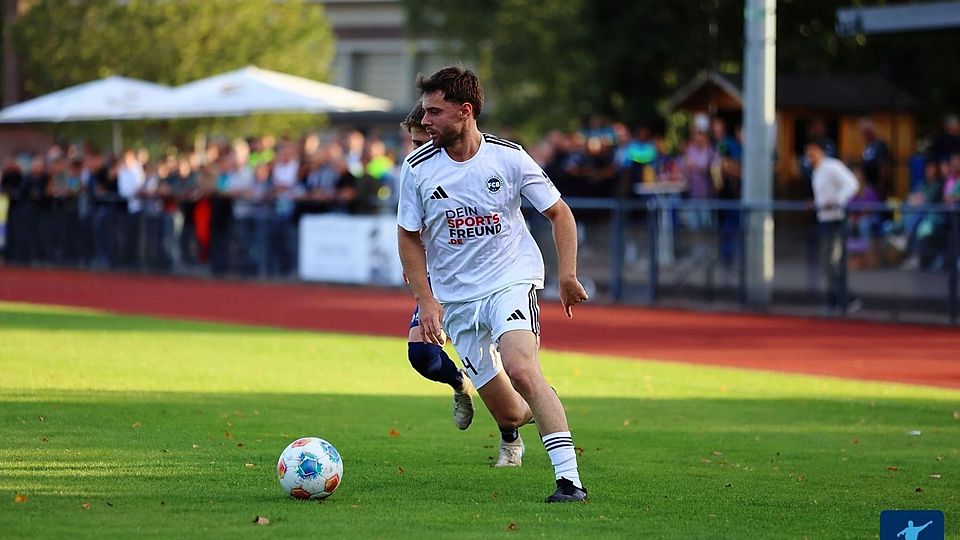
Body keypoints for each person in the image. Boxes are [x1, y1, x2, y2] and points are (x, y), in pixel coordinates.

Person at [397, 67, 589, 503]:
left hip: (511, 279)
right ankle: (533, 406)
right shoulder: (416, 168)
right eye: (424, 111)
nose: (424, 121)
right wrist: (425, 300)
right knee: (513, 410)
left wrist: (566, 273)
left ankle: (569, 482)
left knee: (522, 368)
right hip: (456, 299)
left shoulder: (509, 157)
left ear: (465, 112)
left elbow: (559, 213)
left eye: (434, 112)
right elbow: (407, 236)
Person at [399, 103, 477, 437]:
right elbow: (409, 229)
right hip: (440, 275)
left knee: (495, 362)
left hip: (484, 274)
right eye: (413, 143)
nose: (417, 151)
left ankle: (510, 436)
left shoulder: (469, 165)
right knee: (421, 352)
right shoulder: (415, 171)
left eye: (423, 142)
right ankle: (460, 382)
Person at [805, 139, 861, 313]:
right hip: (825, 220)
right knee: (828, 263)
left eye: (813, 153)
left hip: (836, 220)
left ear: (821, 152)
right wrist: (817, 204)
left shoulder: (831, 166)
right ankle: (836, 300)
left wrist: (836, 201)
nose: (810, 157)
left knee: (834, 262)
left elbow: (852, 184)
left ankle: (845, 300)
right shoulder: (816, 172)